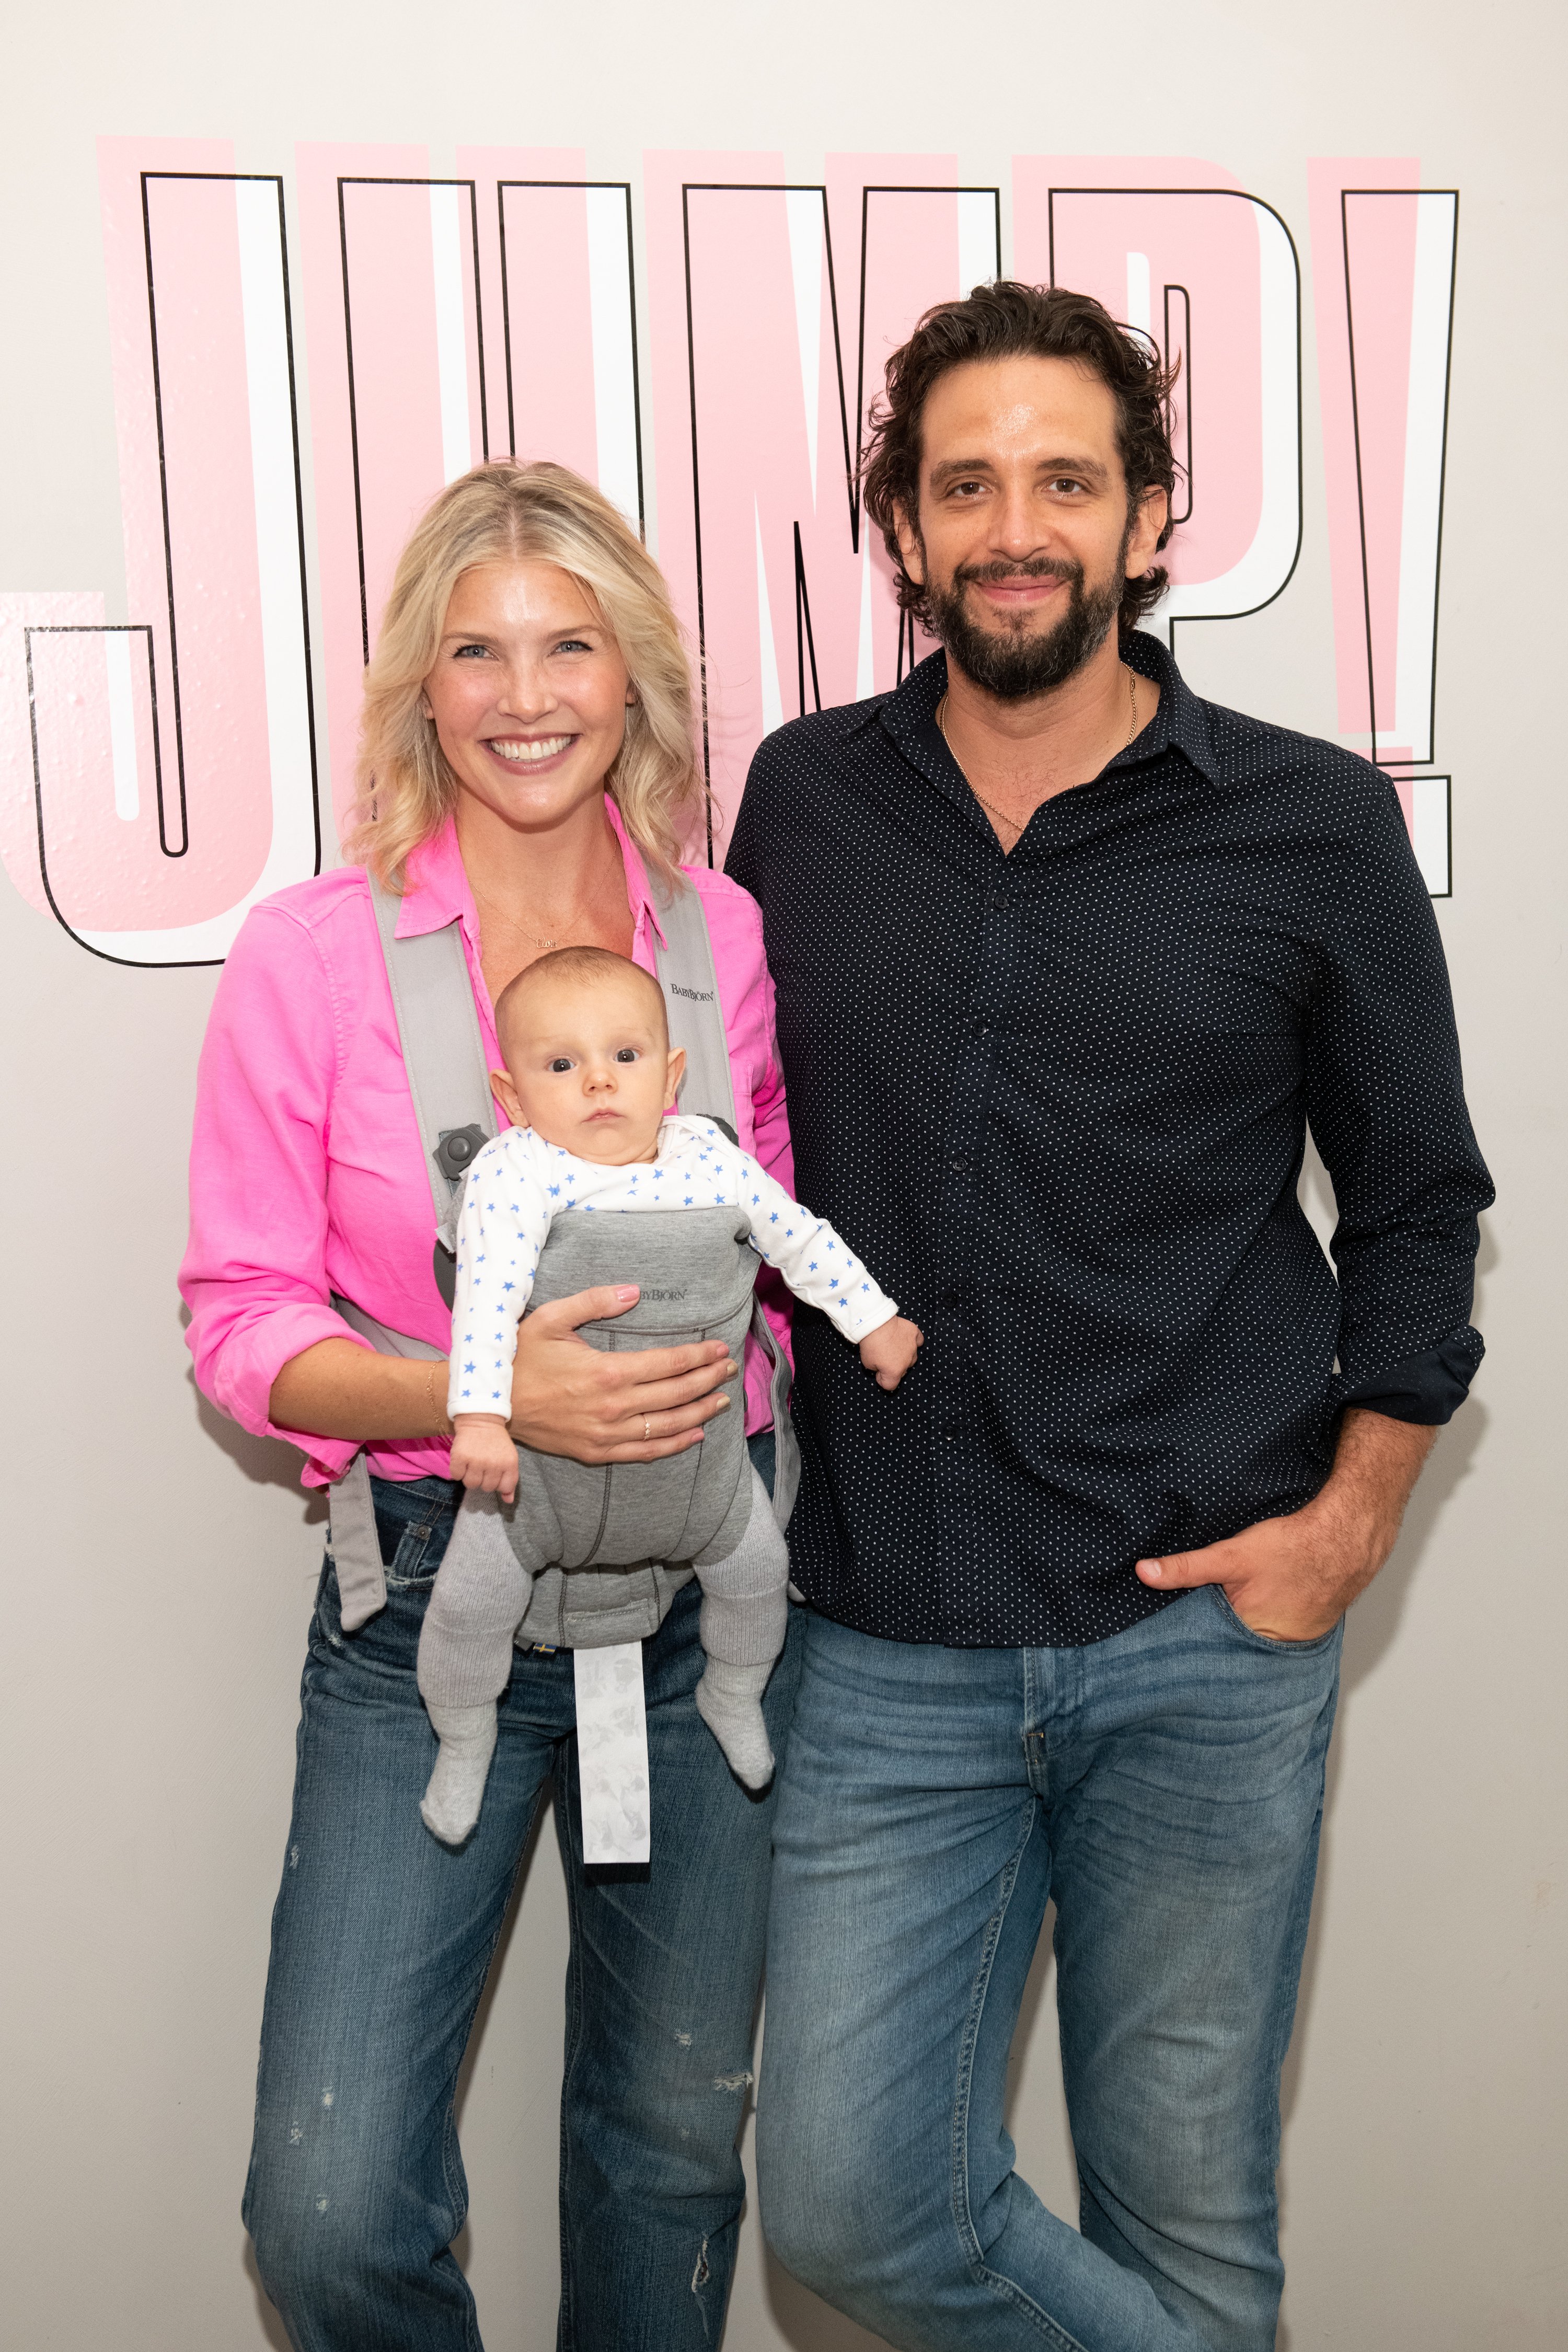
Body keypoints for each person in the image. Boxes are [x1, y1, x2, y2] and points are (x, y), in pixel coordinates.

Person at [727, 284, 1494, 2352]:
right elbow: (723, 1151)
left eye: (1067, 478)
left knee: (1189, 2225)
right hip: (889, 1640)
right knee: (852, 2208)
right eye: (965, 483)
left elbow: (1422, 1207)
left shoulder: (1313, 824)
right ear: (897, 527)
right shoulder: (799, 806)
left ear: (1153, 519)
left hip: (1205, 1644)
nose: (1015, 526)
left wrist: (1348, 1528)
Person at [181, 459, 801, 2349]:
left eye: (568, 646)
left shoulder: (723, 934)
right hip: (425, 1605)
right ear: (422, 689)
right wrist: (482, 1386)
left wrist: (724, 1395)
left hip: (706, 1610)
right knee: (330, 2208)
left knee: (671, 2156)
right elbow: (238, 1320)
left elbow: (766, 1205)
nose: (525, 695)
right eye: (477, 652)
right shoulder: (311, 950)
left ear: (634, 682)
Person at [420, 942, 917, 1839]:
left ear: (672, 1072)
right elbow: (488, 1300)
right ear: (512, 1095)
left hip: (703, 1479)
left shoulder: (709, 1159)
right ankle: (463, 1737)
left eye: (625, 1056)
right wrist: (483, 1418)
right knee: (468, 1604)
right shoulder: (517, 1170)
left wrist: (873, 1320)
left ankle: (732, 1694)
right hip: (537, 1492)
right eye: (561, 1065)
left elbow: (801, 1241)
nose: (599, 1084)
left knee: (761, 1570)